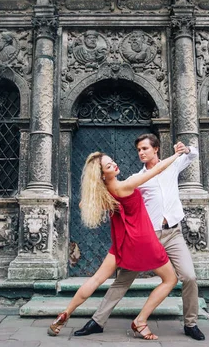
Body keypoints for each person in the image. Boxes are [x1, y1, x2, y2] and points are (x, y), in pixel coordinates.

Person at [48, 145, 187, 340]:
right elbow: (158, 169)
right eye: (108, 165)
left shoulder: (106, 192)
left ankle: (64, 314)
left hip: (123, 242)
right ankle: (140, 321)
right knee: (170, 280)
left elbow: (83, 203)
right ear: (103, 174)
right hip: (143, 240)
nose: (113, 164)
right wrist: (177, 154)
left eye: (111, 161)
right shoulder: (126, 185)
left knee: (96, 279)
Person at [75, 134, 206, 341]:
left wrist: (186, 149)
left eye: (145, 148)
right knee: (122, 280)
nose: (141, 152)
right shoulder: (136, 179)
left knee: (189, 276)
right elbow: (114, 193)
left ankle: (191, 323)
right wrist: (104, 202)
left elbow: (194, 154)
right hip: (148, 237)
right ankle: (97, 321)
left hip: (173, 233)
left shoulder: (171, 165)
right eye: (138, 150)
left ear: (156, 149)